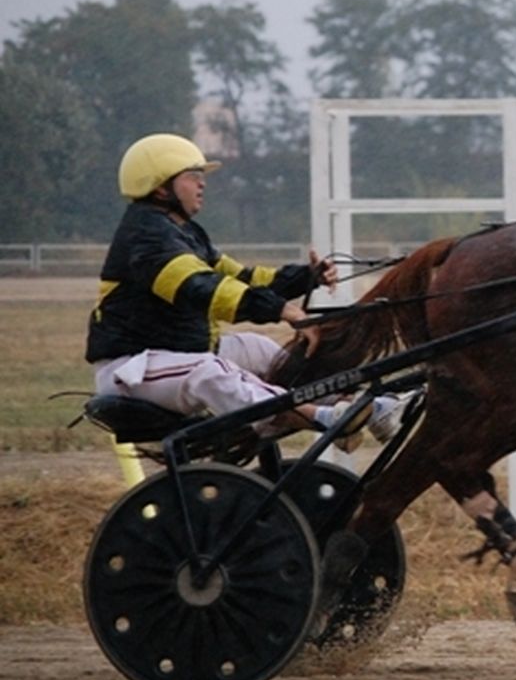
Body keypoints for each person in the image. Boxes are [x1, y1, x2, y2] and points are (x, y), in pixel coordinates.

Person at [86, 133, 403, 448]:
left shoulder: (183, 234)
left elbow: (243, 279)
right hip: (130, 371)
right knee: (208, 372)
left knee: (259, 349)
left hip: (173, 355)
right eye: (193, 176)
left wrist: (307, 277)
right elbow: (203, 289)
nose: (202, 184)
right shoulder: (147, 239)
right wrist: (282, 310)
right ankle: (325, 418)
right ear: (160, 187)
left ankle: (356, 405)